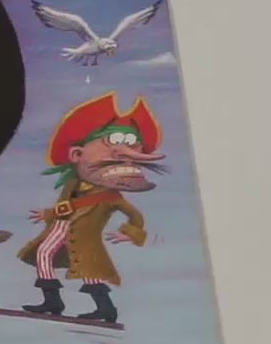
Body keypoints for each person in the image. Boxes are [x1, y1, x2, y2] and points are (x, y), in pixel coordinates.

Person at [16, 93, 163, 322]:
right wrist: (49, 214)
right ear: (76, 155)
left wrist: (131, 233)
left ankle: (105, 308)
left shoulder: (111, 196)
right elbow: (68, 205)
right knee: (44, 253)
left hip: (84, 236)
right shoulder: (73, 183)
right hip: (61, 226)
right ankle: (53, 301)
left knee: (88, 270)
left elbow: (134, 215)